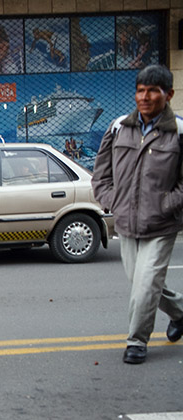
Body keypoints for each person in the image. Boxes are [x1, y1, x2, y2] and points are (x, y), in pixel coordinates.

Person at [91, 64, 183, 364]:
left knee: (145, 285)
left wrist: (168, 204)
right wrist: (110, 200)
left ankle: (137, 342)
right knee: (142, 283)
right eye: (140, 90)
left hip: (162, 224)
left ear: (168, 94)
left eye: (153, 91)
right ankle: (181, 312)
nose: (145, 97)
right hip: (126, 222)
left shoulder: (178, 132)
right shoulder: (119, 127)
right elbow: (101, 173)